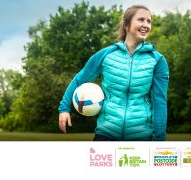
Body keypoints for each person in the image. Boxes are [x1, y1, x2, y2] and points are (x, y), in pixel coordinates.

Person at [58, 5, 169, 141]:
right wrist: (64, 109)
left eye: (148, 21)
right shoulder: (106, 55)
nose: (145, 25)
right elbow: (79, 80)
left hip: (141, 136)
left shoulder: (157, 60)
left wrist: (159, 138)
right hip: (106, 134)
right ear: (127, 24)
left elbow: (159, 101)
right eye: (140, 20)